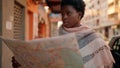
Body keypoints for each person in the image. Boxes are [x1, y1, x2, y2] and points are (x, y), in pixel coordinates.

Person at [59, 0, 115, 68]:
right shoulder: (58, 37)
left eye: (68, 13)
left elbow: (107, 65)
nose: (64, 17)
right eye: (62, 14)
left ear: (79, 15)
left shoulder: (94, 39)